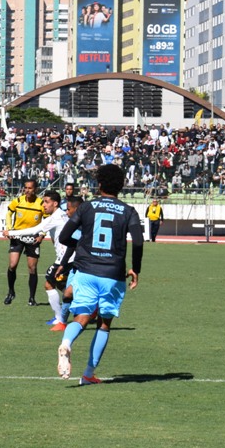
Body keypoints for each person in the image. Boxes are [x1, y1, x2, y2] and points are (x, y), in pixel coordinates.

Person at [56, 164, 143, 385]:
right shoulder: (128, 211)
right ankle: (88, 374)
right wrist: (136, 268)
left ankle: (66, 343)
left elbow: (64, 237)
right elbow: (138, 242)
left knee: (81, 317)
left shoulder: (86, 207)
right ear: (121, 186)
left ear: (100, 184)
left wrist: (82, 246)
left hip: (85, 271)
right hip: (112, 273)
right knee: (104, 324)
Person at [4, 191, 82, 330]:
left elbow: (35, 230)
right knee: (61, 285)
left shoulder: (56, 217)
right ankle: (83, 307)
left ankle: (60, 318)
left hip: (66, 258)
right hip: (71, 256)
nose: (44, 205)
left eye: (46, 202)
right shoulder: (61, 215)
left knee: (48, 284)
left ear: (55, 203)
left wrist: (10, 232)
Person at [4, 179, 46, 306]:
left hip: (33, 238)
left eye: (30, 188)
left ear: (35, 189)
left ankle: (32, 298)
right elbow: (9, 213)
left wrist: (42, 234)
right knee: (12, 265)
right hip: (17, 235)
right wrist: (9, 228)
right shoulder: (18, 201)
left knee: (32, 268)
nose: (27, 190)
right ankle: (11, 292)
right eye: (25, 188)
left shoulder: (41, 203)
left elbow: (47, 221)